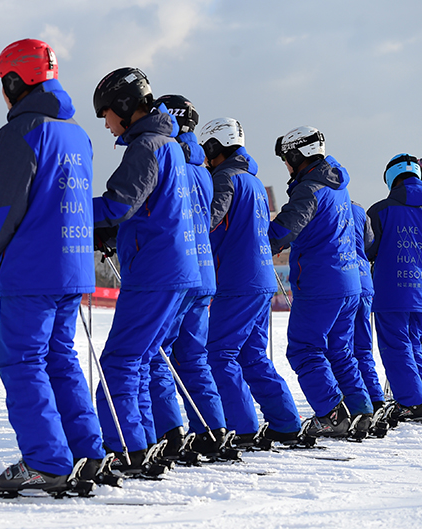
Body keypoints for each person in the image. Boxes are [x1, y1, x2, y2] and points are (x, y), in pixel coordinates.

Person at [0, 39, 106, 492]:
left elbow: (5, 207)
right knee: (60, 358)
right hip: (73, 266)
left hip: (32, 268)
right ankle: (88, 453)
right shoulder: (77, 133)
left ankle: (47, 461)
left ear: (17, 81)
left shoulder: (20, 131)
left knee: (22, 362)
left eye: (3, 82)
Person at [91, 68, 200, 471]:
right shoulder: (169, 144)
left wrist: (62, 209)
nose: (105, 123)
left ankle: (126, 446)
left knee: (120, 360)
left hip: (156, 272)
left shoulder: (147, 146)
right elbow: (148, 211)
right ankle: (145, 442)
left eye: (106, 113)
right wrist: (111, 235)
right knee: (139, 358)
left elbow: (120, 204)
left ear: (123, 105)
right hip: (174, 269)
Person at [198, 118, 302, 446]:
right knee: (251, 355)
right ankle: (285, 422)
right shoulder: (253, 181)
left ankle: (241, 428)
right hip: (260, 278)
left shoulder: (225, 178)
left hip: (236, 280)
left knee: (219, 353)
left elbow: (209, 221)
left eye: (206, 148)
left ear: (215, 146)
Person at [270, 126, 372, 438]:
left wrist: (255, 238)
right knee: (339, 350)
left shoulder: (310, 188)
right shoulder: (338, 184)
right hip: (349, 280)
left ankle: (331, 414)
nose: (286, 166)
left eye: (287, 159)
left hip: (319, 284)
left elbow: (283, 233)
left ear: (298, 156)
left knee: (303, 349)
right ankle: (361, 412)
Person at [151, 95, 230, 459]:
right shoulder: (201, 167)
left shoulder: (170, 156)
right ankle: (212, 429)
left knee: (158, 354)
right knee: (193, 356)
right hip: (203, 269)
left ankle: (168, 433)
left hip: (175, 270)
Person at [366, 153, 422, 422]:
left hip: (392, 290)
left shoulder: (380, 210)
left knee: (396, 346)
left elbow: (368, 248)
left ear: (391, 177)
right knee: (417, 344)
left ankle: (411, 402)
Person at [350, 201, 387, 424]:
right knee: (362, 347)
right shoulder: (358, 209)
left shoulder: (322, 202)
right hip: (364, 280)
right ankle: (375, 398)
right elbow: (369, 241)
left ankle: (355, 401)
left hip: (341, 282)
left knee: (339, 349)